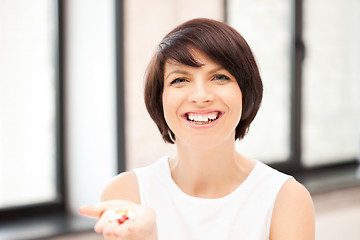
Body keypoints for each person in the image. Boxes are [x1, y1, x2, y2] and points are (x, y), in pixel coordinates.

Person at [79, 18, 315, 240]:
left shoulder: (286, 198)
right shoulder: (127, 194)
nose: (201, 96)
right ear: (159, 98)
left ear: (246, 92)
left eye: (220, 77)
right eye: (180, 80)